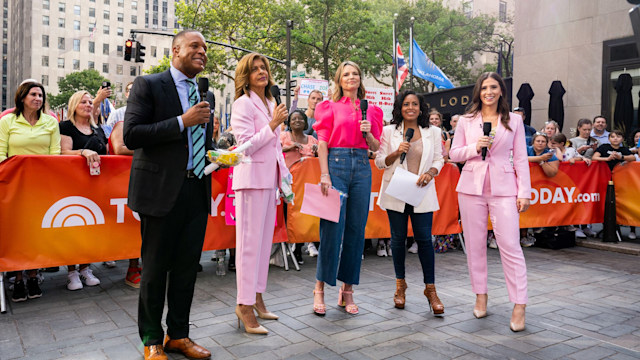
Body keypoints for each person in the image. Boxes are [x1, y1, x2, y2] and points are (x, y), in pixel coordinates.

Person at [123, 30, 213, 360]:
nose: (202, 52)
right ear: (176, 50)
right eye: (195, 46)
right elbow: (132, 135)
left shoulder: (206, 94)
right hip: (160, 193)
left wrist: (219, 154)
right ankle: (151, 339)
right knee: (155, 269)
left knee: (187, 269)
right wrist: (181, 121)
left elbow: (199, 143)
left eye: (205, 48)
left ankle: (179, 335)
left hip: (196, 189)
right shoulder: (149, 85)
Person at [449, 72, 530, 332]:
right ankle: (480, 295)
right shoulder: (466, 120)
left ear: (501, 91)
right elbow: (454, 153)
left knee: (510, 245)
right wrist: (474, 146)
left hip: (504, 189)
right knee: (475, 246)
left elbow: (520, 158)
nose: (489, 92)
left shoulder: (514, 121)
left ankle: (519, 305)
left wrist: (524, 191)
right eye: (484, 88)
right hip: (471, 188)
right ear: (478, 91)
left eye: (494, 87)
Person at [312, 60, 383, 316]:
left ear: (360, 79)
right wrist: (324, 174)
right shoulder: (328, 107)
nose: (351, 78)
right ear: (339, 80)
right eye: (346, 74)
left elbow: (376, 147)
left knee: (356, 230)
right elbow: (322, 143)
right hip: (336, 165)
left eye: (355, 74)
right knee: (331, 227)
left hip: (363, 167)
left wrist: (369, 136)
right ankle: (319, 287)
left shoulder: (372, 110)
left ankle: (347, 290)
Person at [230, 53, 290, 335]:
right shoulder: (242, 104)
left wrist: (284, 177)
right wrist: (272, 125)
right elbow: (244, 147)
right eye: (254, 69)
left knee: (264, 244)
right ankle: (243, 304)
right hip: (251, 180)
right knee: (249, 246)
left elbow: (275, 147)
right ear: (246, 76)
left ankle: (256, 296)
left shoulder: (270, 103)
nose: (261, 72)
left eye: (263, 67)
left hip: (270, 180)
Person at [375, 90, 445, 313]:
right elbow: (379, 162)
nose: (411, 108)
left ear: (421, 107)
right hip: (396, 191)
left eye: (415, 104)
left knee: (424, 239)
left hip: (421, 191)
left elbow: (438, 158)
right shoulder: (389, 131)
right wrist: (396, 152)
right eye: (406, 104)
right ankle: (400, 285)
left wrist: (431, 172)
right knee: (397, 240)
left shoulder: (433, 131)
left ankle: (430, 289)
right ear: (400, 108)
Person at [0, 81, 60, 302]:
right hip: (13, 186)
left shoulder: (51, 123)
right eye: (33, 94)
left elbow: (55, 154)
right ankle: (17, 278)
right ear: (22, 97)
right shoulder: (7, 121)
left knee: (36, 233)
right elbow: (0, 153)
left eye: (41, 95)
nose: (38, 98)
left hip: (41, 187)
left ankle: (33, 275)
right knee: (17, 233)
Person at [59, 90, 107, 291]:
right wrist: (83, 151)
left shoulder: (99, 129)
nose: (88, 105)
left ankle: (86, 268)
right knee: (74, 227)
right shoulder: (65, 126)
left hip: (96, 188)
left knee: (91, 228)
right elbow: (63, 152)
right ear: (74, 105)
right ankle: (72, 273)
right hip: (72, 186)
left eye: (90, 102)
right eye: (83, 102)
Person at [107, 82, 143, 289]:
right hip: (123, 179)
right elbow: (119, 148)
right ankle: (132, 268)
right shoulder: (121, 120)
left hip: (147, 176)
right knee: (131, 225)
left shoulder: (150, 116)